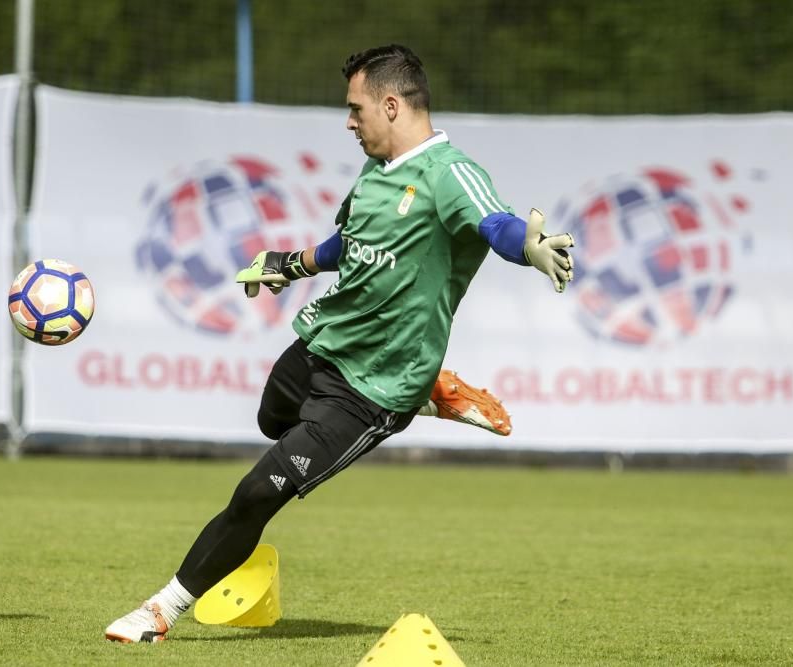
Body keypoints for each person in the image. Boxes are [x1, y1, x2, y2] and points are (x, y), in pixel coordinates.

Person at [105, 43, 573, 643]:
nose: (349, 122)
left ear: (392, 104)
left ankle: (160, 611)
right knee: (272, 417)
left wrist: (527, 248)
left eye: (356, 109)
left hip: (374, 388)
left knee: (256, 492)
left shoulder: (450, 174)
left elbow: (496, 222)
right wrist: (288, 264)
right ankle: (437, 393)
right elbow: (347, 244)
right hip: (324, 346)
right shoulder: (377, 170)